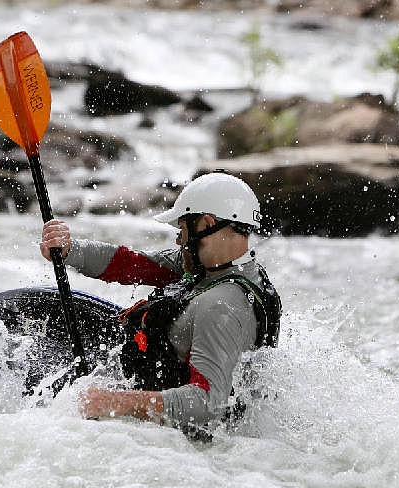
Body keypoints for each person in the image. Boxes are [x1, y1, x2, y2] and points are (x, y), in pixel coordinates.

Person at [39, 172, 281, 435]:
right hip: (145, 372)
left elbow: (208, 406)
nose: (179, 240)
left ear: (206, 224)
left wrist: (113, 402)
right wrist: (69, 250)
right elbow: (132, 264)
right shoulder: (218, 268)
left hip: (168, 425)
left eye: (183, 229)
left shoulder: (221, 305)